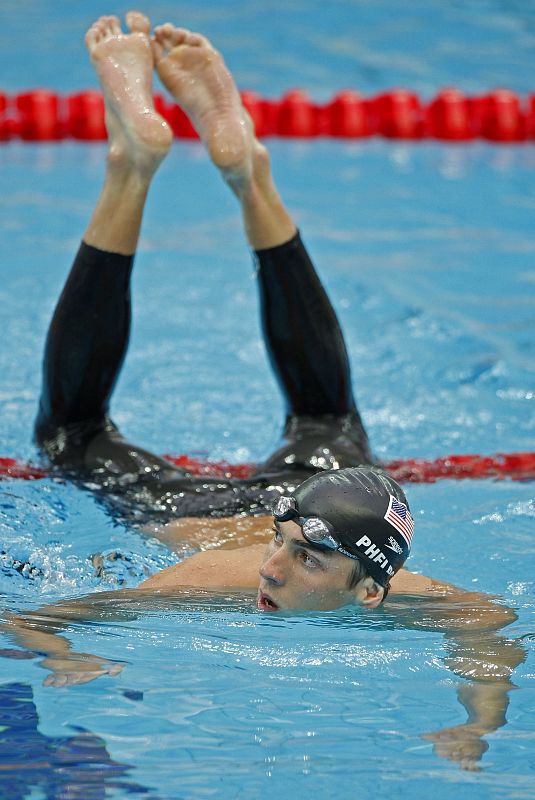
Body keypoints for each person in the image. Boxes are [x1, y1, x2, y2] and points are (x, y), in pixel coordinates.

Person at [1, 14, 525, 771]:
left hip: (288, 496)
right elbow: (39, 620)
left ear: (370, 592)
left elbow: (489, 635)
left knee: (325, 415)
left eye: (308, 562)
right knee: (70, 436)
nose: (272, 569)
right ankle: (162, 165)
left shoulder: (414, 594)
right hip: (263, 505)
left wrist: (477, 726)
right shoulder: (211, 578)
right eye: (286, 549)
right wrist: (63, 658)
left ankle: (224, 165)